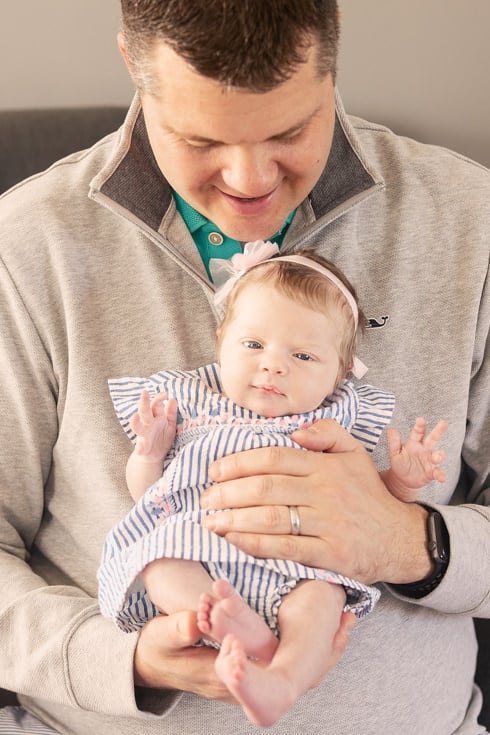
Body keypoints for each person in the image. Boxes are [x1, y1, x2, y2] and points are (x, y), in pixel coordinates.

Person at [0, 1, 488, 734]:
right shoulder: (27, 247)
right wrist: (123, 659)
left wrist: (410, 539)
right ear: (133, 64)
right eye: (200, 140)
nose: (249, 179)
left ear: (333, 55)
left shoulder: (470, 222)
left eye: (290, 131)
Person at [98, 243, 448, 726]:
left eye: (303, 355)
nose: (273, 365)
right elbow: (148, 496)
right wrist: (149, 451)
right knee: (157, 557)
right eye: (253, 345)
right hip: (202, 546)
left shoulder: (335, 421)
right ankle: (239, 633)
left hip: (302, 561)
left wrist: (402, 482)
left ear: (340, 375)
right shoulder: (191, 404)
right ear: (221, 340)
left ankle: (281, 679)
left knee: (322, 598)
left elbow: (372, 508)